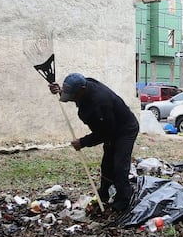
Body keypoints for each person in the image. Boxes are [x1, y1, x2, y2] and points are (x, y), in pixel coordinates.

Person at [49, 73, 139, 211]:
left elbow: (106, 132)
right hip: (109, 127)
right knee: (107, 163)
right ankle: (104, 192)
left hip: (124, 129)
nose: (71, 99)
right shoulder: (83, 87)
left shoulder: (100, 102)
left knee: (120, 165)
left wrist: (83, 142)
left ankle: (123, 201)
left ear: (82, 90)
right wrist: (61, 91)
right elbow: (72, 94)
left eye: (72, 95)